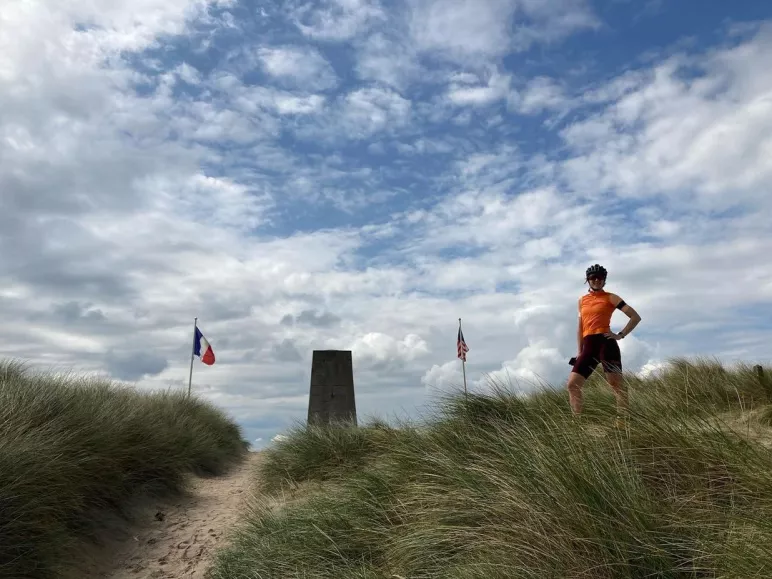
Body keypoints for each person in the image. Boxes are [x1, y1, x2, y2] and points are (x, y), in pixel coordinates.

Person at [566, 264, 641, 421]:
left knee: (615, 384)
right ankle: (577, 423)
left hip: (606, 343)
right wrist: (580, 352)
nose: (597, 280)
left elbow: (635, 317)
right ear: (588, 280)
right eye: (593, 278)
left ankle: (623, 420)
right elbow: (580, 328)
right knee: (573, 385)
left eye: (600, 278)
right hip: (588, 345)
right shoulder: (582, 301)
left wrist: (620, 335)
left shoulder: (611, 297)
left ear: (604, 280)